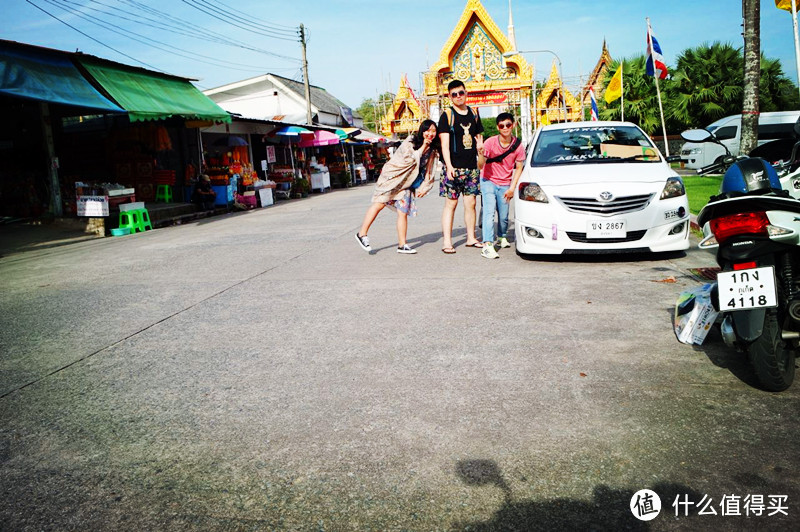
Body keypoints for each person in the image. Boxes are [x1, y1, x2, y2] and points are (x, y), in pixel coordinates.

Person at [355, 119, 440, 254]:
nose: (430, 133)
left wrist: (426, 186)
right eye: (427, 130)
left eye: (433, 131)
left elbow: (430, 169)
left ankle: (402, 245)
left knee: (403, 211)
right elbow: (409, 159)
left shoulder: (433, 149)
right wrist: (423, 146)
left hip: (407, 183)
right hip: (393, 178)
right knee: (379, 204)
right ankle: (362, 234)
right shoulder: (411, 141)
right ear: (422, 131)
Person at [438, 80, 484, 254]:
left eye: (461, 93)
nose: (458, 96)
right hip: (453, 167)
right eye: (454, 94)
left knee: (471, 203)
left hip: (471, 167)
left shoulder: (473, 113)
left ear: (466, 93)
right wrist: (449, 165)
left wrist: (480, 152)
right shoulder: (447, 115)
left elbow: (478, 138)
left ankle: (471, 238)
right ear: (450, 97)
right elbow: (444, 144)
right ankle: (447, 242)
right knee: (451, 204)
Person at [477, 112, 526, 259]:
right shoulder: (490, 143)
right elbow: (480, 166)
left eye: (508, 125)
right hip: (488, 180)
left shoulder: (518, 146)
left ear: (513, 125)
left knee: (504, 216)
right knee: (489, 212)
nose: (505, 128)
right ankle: (487, 244)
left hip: (505, 182)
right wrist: (480, 152)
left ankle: (502, 235)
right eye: (502, 126)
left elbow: (519, 168)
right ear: (498, 127)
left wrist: (512, 188)